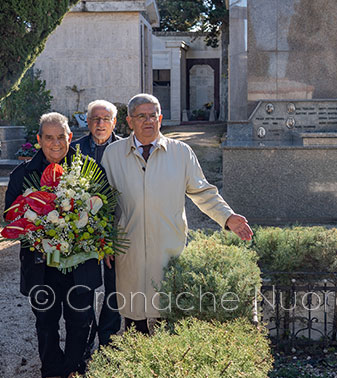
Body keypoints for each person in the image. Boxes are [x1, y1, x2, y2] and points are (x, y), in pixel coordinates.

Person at [101, 93, 253, 332]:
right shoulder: (113, 154)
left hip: (169, 247)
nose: (148, 121)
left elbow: (203, 192)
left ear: (160, 119)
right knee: (134, 317)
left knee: (169, 315)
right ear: (129, 121)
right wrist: (106, 241)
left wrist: (227, 216)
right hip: (130, 249)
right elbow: (103, 204)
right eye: (141, 116)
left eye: (153, 116)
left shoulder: (181, 152)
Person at [5, 112, 102, 378]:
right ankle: (51, 372)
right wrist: (41, 227)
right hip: (41, 266)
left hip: (79, 264)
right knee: (45, 321)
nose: (56, 143)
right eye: (49, 137)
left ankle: (74, 369)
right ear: (39, 139)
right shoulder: (23, 174)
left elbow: (105, 212)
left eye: (61, 137)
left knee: (80, 318)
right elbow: (11, 216)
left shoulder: (88, 171)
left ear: (70, 137)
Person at [70, 99, 123, 346]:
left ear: (115, 122)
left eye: (106, 119)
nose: (100, 124)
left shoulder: (125, 149)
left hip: (118, 229)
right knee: (84, 287)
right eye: (95, 119)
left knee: (115, 286)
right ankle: (86, 337)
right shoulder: (73, 150)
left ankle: (108, 339)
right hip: (84, 232)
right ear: (87, 122)